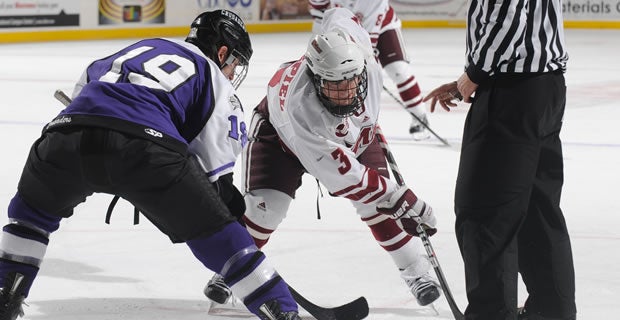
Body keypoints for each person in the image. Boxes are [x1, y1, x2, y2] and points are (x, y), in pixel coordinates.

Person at [0, 10, 302, 320]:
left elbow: (85, 91)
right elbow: (216, 176)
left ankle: (5, 294)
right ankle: (284, 312)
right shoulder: (212, 75)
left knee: (29, 217)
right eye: (235, 62)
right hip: (145, 152)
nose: (233, 70)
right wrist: (229, 215)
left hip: (63, 138)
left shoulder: (134, 49)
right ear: (222, 52)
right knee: (228, 242)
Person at [204, 7, 441, 309]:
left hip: (347, 134)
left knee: (378, 208)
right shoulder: (301, 108)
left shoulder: (363, 58)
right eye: (334, 85)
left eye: (349, 82)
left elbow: (339, 13)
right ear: (316, 78)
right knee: (266, 209)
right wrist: (399, 196)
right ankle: (231, 269)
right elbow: (347, 177)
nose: (344, 93)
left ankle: (416, 271)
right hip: (279, 137)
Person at [423, 0, 577, 319]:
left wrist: (473, 74)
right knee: (537, 211)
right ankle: (552, 312)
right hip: (543, 88)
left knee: (484, 213)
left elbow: (507, 14)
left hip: (511, 92)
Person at [309, 0, 431, 140]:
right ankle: (345, 121)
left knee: (397, 69)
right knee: (335, 78)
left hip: (382, 26)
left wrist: (364, 60)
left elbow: (369, 41)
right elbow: (319, 13)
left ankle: (420, 116)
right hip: (341, 29)